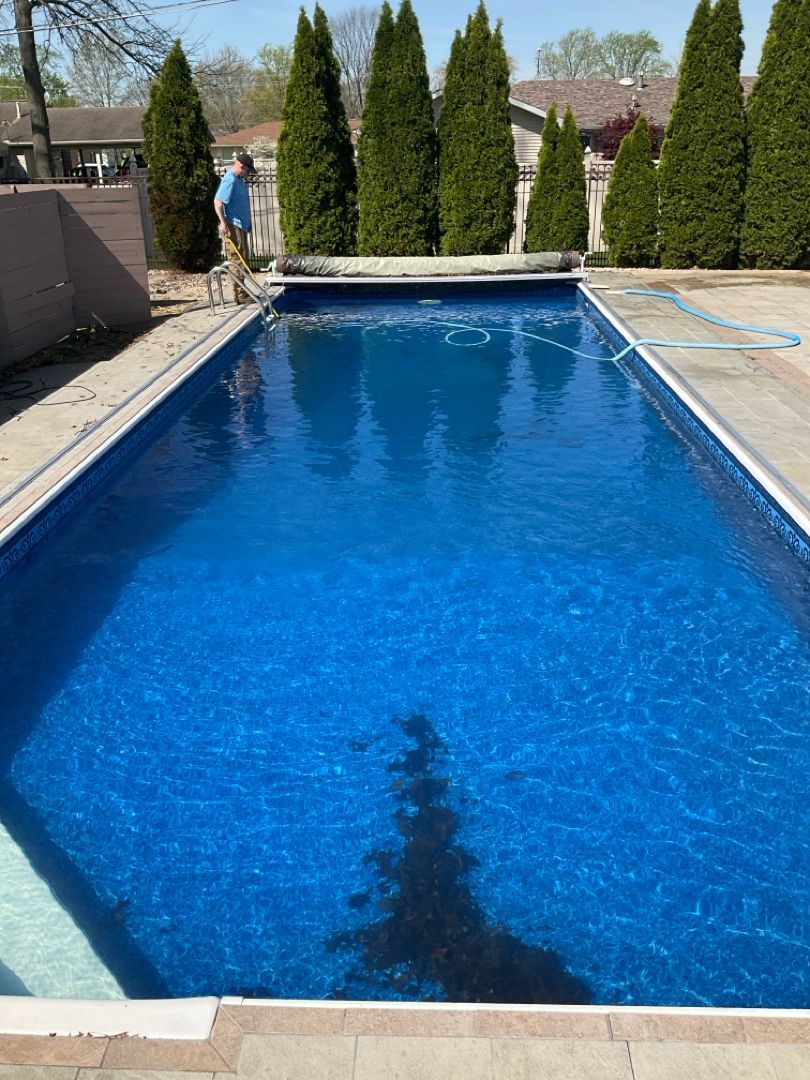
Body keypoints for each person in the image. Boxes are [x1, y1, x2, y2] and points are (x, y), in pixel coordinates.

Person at [214, 152, 257, 302]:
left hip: (241, 226)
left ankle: (243, 292)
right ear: (241, 167)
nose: (248, 174)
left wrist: (247, 223)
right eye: (248, 171)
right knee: (237, 260)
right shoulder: (230, 180)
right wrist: (224, 223)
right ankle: (240, 295)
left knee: (243, 259)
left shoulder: (239, 179)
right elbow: (218, 202)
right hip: (233, 226)